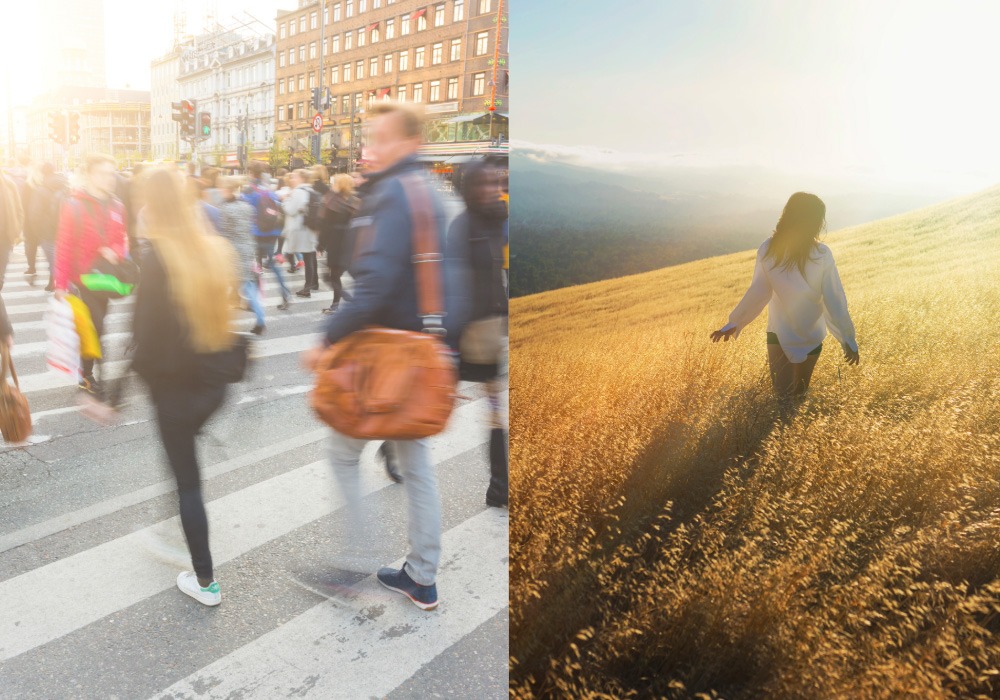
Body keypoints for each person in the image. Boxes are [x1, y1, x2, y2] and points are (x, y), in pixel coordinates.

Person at [302, 102, 466, 611]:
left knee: (344, 455)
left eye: (379, 139)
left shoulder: (393, 193)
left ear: (409, 143)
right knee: (416, 465)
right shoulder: (430, 194)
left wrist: (326, 337)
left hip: (384, 357)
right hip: (420, 352)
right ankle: (421, 575)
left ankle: (353, 564)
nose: (368, 149)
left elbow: (372, 285)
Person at [131, 166, 240, 606]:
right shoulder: (214, 249)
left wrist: (112, 395)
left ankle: (205, 580)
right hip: (214, 387)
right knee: (182, 465)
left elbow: (144, 338)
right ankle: (168, 524)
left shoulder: (158, 258)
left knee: (187, 481)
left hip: (175, 389)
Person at [710, 192, 860, 407]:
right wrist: (848, 339)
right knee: (796, 400)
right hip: (811, 337)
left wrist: (735, 322)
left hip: (778, 334)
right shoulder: (821, 254)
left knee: (782, 400)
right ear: (815, 221)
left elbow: (758, 291)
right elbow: (834, 300)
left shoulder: (769, 249)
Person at [448, 160, 509, 508]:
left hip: (487, 328)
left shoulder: (497, 219)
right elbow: (453, 284)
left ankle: (499, 486)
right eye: (482, 184)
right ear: (468, 188)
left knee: (495, 410)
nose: (490, 189)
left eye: (494, 183)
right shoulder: (462, 226)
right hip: (462, 330)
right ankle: (394, 448)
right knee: (435, 402)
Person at [53, 153, 129, 397]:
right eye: (104, 174)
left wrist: (115, 251)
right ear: (91, 175)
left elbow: (121, 239)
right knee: (93, 326)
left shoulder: (118, 206)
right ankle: (86, 375)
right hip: (82, 279)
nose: (110, 179)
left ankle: (90, 367)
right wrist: (60, 284)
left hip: (104, 277)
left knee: (99, 325)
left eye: (112, 173)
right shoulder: (74, 204)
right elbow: (63, 245)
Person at [217, 176, 265, 335]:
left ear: (227, 190)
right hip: (248, 248)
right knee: (247, 284)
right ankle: (259, 318)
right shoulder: (247, 207)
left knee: (240, 286)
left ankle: (219, 323)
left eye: (222, 189)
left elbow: (224, 233)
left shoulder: (225, 209)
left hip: (233, 252)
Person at [243, 161, 290, 311]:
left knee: (255, 267)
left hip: (256, 233)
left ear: (251, 173)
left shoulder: (249, 190)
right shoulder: (268, 189)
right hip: (271, 232)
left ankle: (253, 299)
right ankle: (285, 293)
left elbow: (245, 210)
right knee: (272, 265)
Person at [318, 173, 358, 315]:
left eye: (334, 182)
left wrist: (320, 245)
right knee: (338, 274)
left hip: (336, 242)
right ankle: (340, 304)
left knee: (331, 276)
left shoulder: (332, 201)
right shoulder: (354, 200)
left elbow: (325, 225)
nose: (332, 184)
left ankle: (346, 303)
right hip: (350, 241)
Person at [24, 163, 67, 292]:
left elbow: (34, 214)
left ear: (43, 173)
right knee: (59, 256)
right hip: (64, 228)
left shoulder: (41, 189)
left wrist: (38, 232)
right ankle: (54, 282)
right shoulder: (65, 185)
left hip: (47, 231)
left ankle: (61, 284)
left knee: (52, 258)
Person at [282, 169, 319, 298]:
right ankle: (310, 285)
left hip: (299, 229)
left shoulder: (297, 192)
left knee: (290, 253)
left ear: (301, 178)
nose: (292, 179)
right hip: (309, 228)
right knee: (309, 258)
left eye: (295, 177)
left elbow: (291, 210)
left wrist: (285, 200)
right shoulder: (311, 190)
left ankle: (307, 287)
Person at [0, 171, 24, 348]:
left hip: (3, 242)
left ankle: (5, 332)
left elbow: (19, 211)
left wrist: (14, 234)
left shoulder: (8, 182)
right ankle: (5, 331)